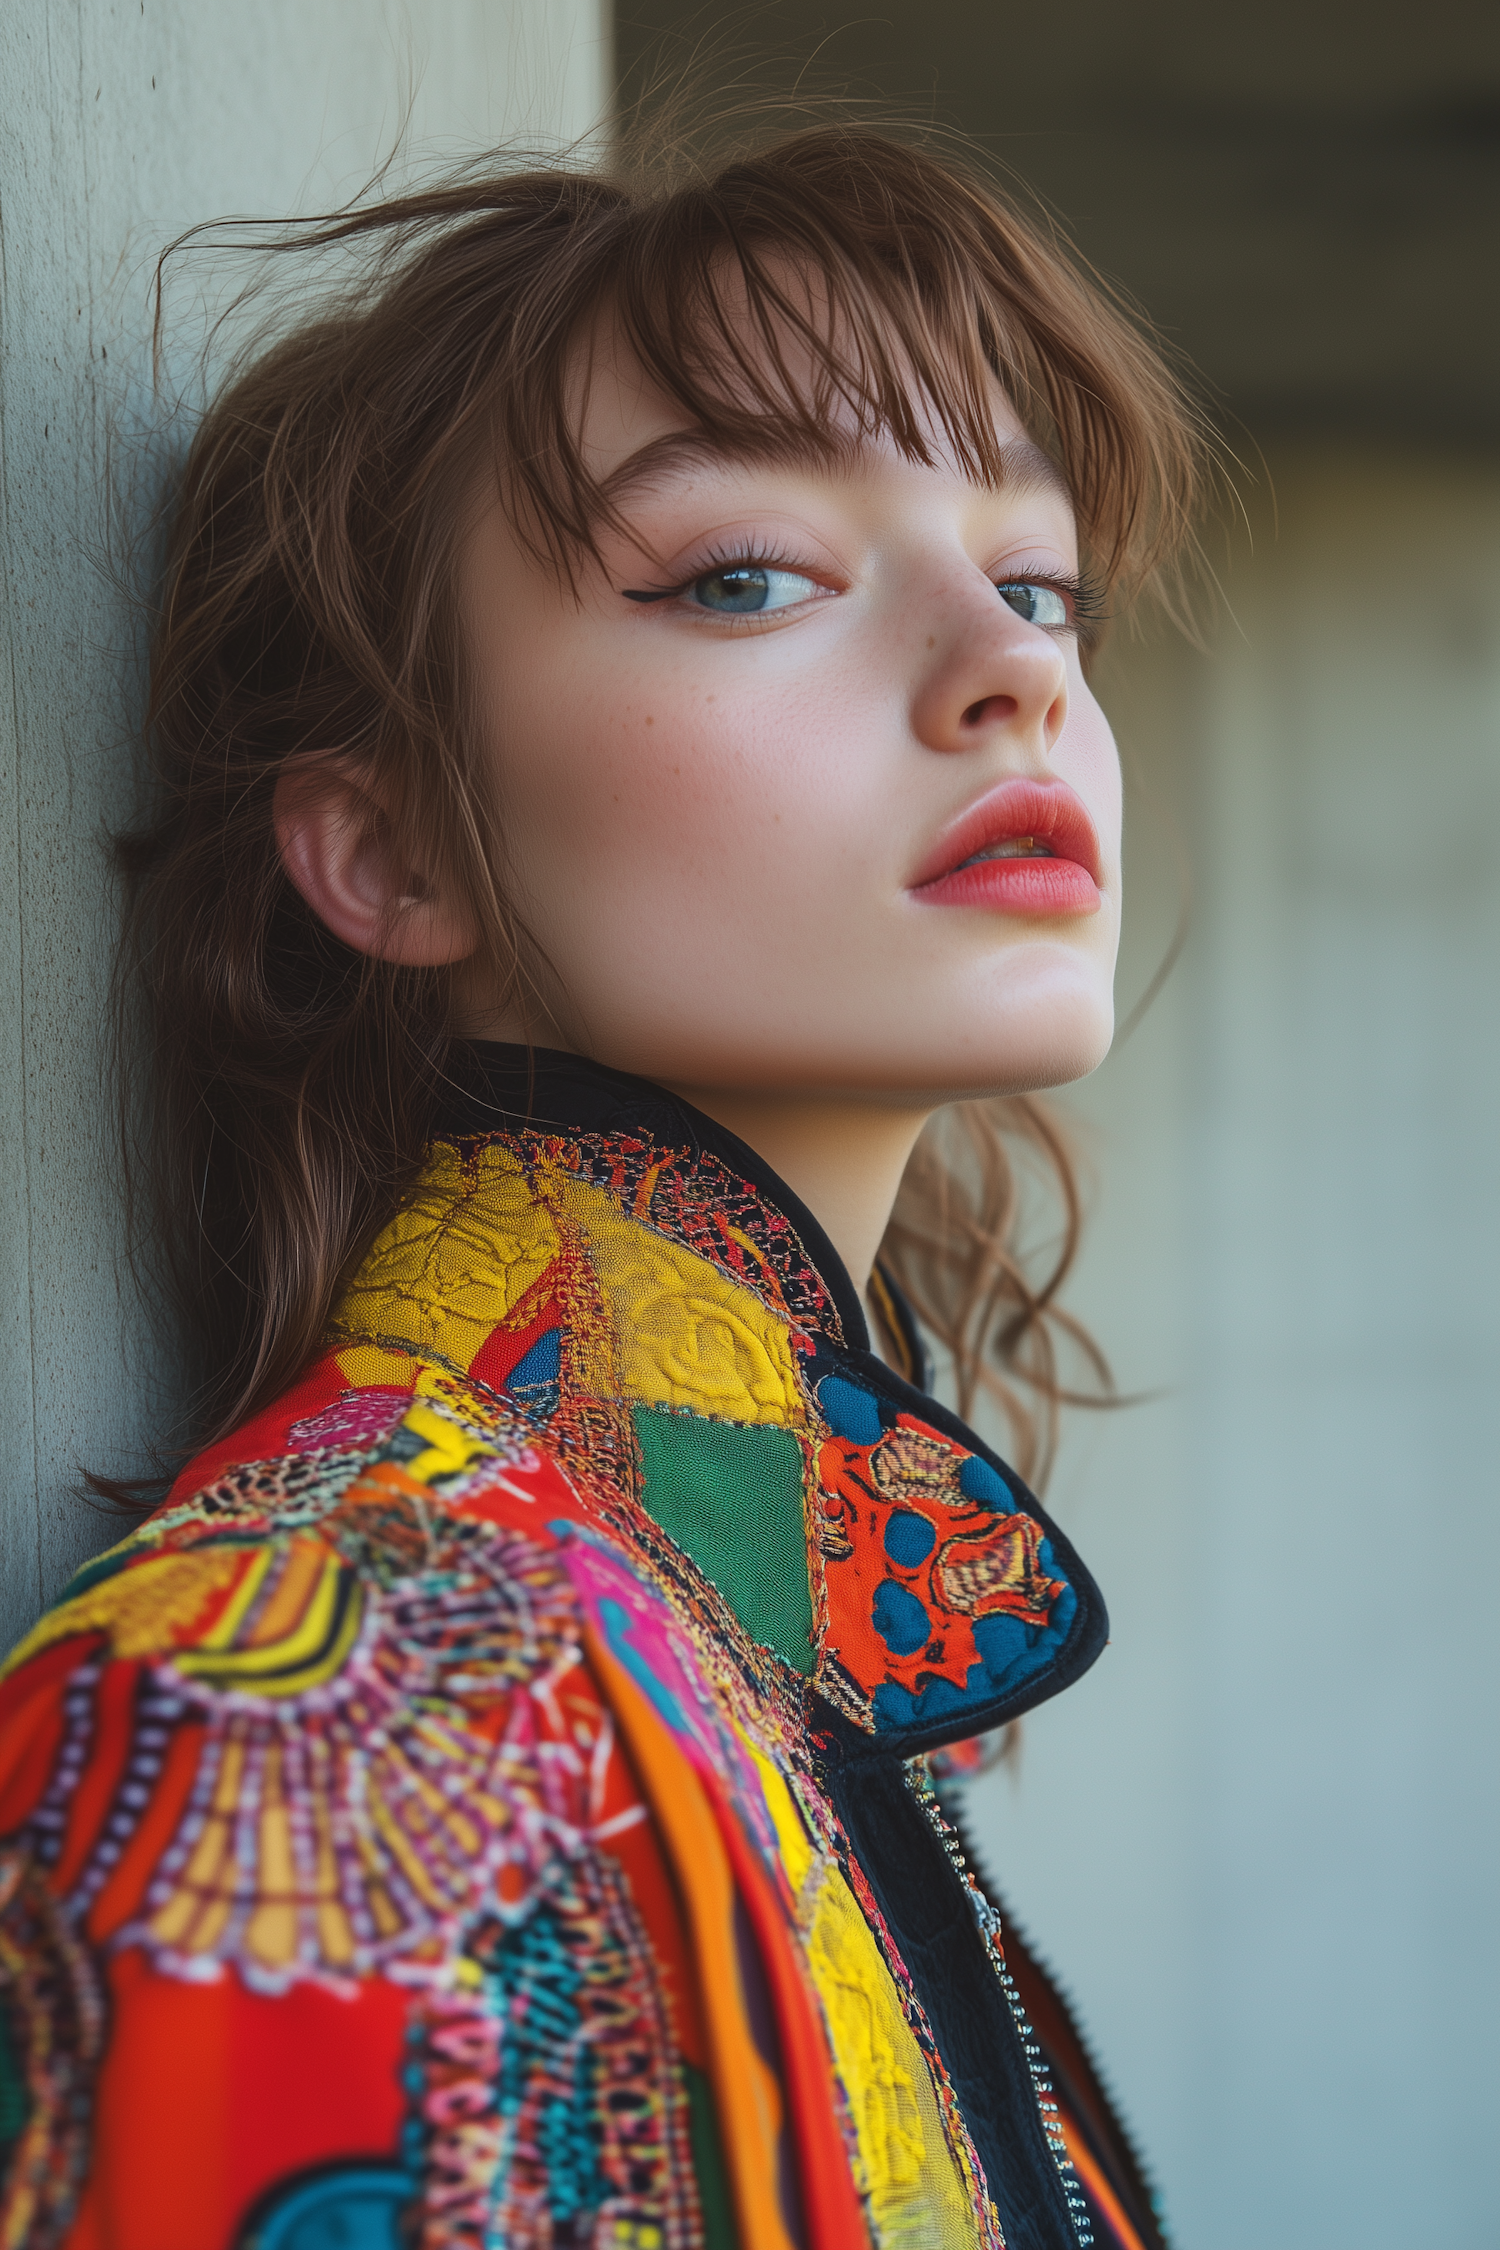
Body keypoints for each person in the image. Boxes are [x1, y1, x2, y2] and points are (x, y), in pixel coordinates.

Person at [0, 122, 1199, 2250]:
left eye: (1037, 583)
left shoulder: (767, 1647)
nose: (1013, 665)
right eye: (746, 575)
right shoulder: (308, 1721)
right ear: (393, 848)